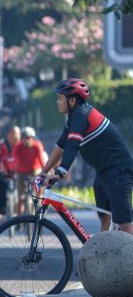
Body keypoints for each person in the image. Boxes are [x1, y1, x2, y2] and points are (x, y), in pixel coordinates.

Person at [37, 79, 133, 234]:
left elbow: (72, 147)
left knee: (124, 223)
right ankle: (104, 254)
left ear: (72, 100)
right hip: (103, 172)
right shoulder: (74, 118)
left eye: (60, 98)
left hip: (119, 172)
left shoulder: (81, 116)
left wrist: (61, 172)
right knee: (104, 218)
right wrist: (44, 170)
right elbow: (61, 146)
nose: (57, 102)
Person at [12, 126, 46, 215]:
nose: (26, 140)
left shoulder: (37, 146)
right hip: (21, 171)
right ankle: (18, 218)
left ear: (32, 138)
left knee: (40, 185)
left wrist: (46, 172)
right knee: (20, 197)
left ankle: (38, 204)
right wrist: (13, 170)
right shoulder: (18, 147)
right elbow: (14, 160)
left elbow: (42, 160)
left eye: (28, 138)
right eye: (23, 138)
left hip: (34, 170)